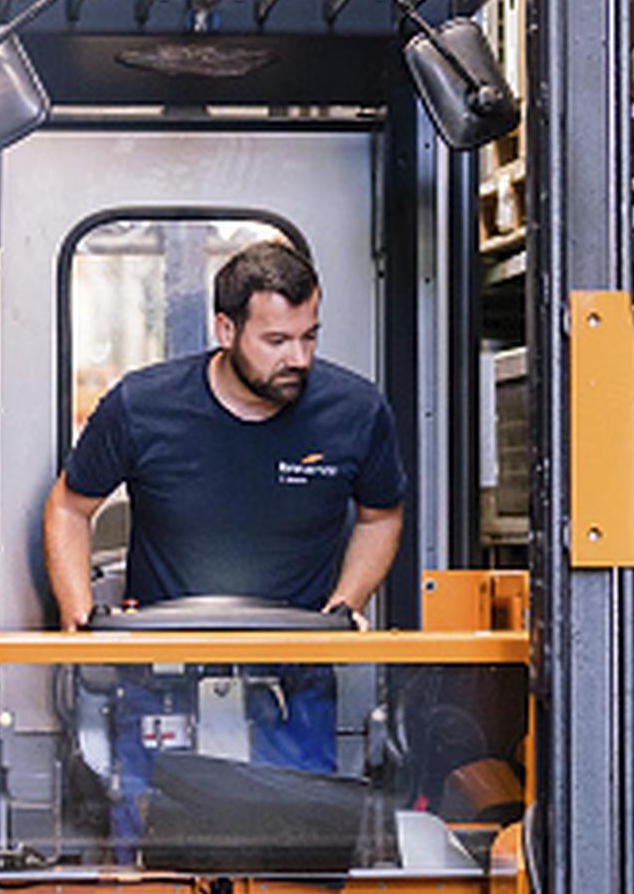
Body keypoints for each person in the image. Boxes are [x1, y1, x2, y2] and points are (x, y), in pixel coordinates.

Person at [39, 236, 407, 625]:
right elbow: (68, 508)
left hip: (299, 665)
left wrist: (344, 607)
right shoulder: (141, 405)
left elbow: (380, 516)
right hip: (157, 666)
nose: (299, 359)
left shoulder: (357, 411)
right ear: (226, 330)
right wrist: (78, 623)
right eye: (277, 341)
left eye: (309, 337)